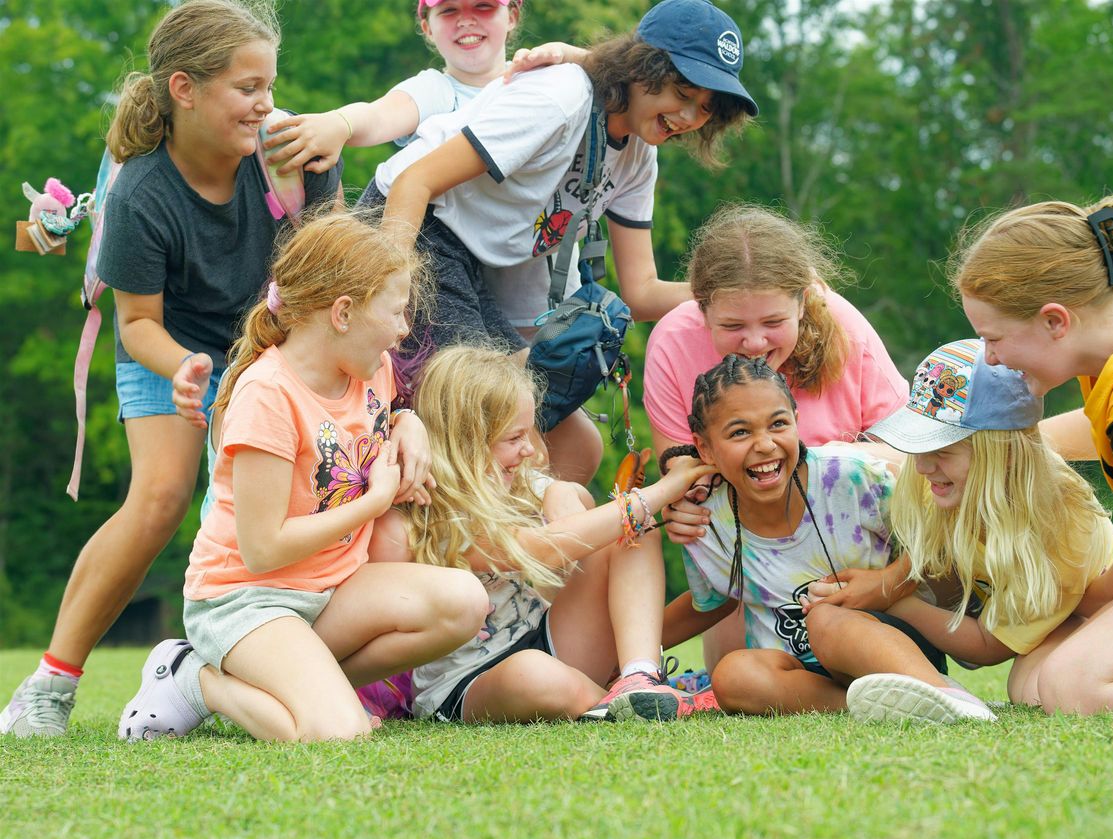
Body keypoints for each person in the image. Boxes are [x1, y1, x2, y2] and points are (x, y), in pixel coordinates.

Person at [0, 0, 344, 738]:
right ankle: (48, 686)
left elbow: (331, 280)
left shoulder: (295, 159)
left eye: (270, 86)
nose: (266, 105)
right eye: (246, 88)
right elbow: (138, 323)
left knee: (301, 506)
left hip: (272, 349)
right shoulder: (142, 194)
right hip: (171, 346)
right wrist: (191, 370)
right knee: (158, 499)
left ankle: (299, 667)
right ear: (184, 89)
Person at [115, 213, 489, 742]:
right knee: (338, 734)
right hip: (247, 599)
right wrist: (374, 501)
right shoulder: (267, 394)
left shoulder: (371, 368)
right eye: (397, 313)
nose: (404, 329)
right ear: (342, 314)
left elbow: (380, 422)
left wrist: (411, 423)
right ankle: (198, 680)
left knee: (465, 603)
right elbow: (263, 548)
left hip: (331, 589)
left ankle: (309, 686)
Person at [361, 0, 758, 483]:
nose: (689, 115)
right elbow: (412, 182)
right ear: (641, 67)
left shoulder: (637, 157)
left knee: (576, 445)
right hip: (410, 227)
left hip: (471, 261)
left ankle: (521, 552)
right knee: (484, 414)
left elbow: (640, 291)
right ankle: (461, 549)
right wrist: (389, 294)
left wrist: (743, 296)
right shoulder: (562, 97)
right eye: (682, 92)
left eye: (706, 108)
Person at [367, 345, 719, 722]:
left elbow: (586, 518)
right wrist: (665, 489)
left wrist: (563, 490)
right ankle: (639, 705)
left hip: (547, 633)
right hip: (469, 682)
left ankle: (639, 676)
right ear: (469, 442)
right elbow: (537, 550)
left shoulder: (514, 480)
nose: (529, 450)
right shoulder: (430, 510)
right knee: (534, 675)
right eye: (514, 438)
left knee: (633, 530)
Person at [951, 192, 1113, 714]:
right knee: (1035, 674)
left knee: (1071, 685)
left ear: (1055, 321)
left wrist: (1078, 600)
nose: (990, 358)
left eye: (993, 338)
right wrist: (987, 449)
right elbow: (1105, 430)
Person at [644, 203, 909, 670]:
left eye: (772, 324)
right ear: (701, 309)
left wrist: (837, 456)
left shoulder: (846, 330)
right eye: (731, 327)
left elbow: (912, 453)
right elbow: (684, 468)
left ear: (803, 302)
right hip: (750, 562)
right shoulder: (672, 343)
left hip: (862, 566)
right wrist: (681, 502)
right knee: (738, 678)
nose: (755, 343)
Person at [806, 338, 1113, 721]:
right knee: (1027, 688)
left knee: (1033, 690)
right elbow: (854, 460)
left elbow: (989, 645)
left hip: (1099, 614)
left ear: (1003, 453)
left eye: (941, 451)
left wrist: (888, 596)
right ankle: (943, 692)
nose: (924, 467)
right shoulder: (941, 485)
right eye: (918, 446)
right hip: (1039, 620)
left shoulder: (1064, 525)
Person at [672, 355, 993, 721]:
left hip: (888, 649)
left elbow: (940, 535)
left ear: (796, 421)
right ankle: (867, 706)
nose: (764, 445)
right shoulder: (702, 518)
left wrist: (889, 582)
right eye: (740, 432)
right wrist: (629, 662)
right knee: (733, 675)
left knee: (826, 620)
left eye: (778, 423)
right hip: (803, 676)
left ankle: (942, 694)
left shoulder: (853, 478)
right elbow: (710, 603)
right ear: (705, 448)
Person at [263, 0, 524, 176]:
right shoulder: (436, 91)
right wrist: (340, 123)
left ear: (512, 16)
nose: (466, 20)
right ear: (427, 28)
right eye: (448, 10)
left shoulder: (537, 80)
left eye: (483, 5)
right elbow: (379, 116)